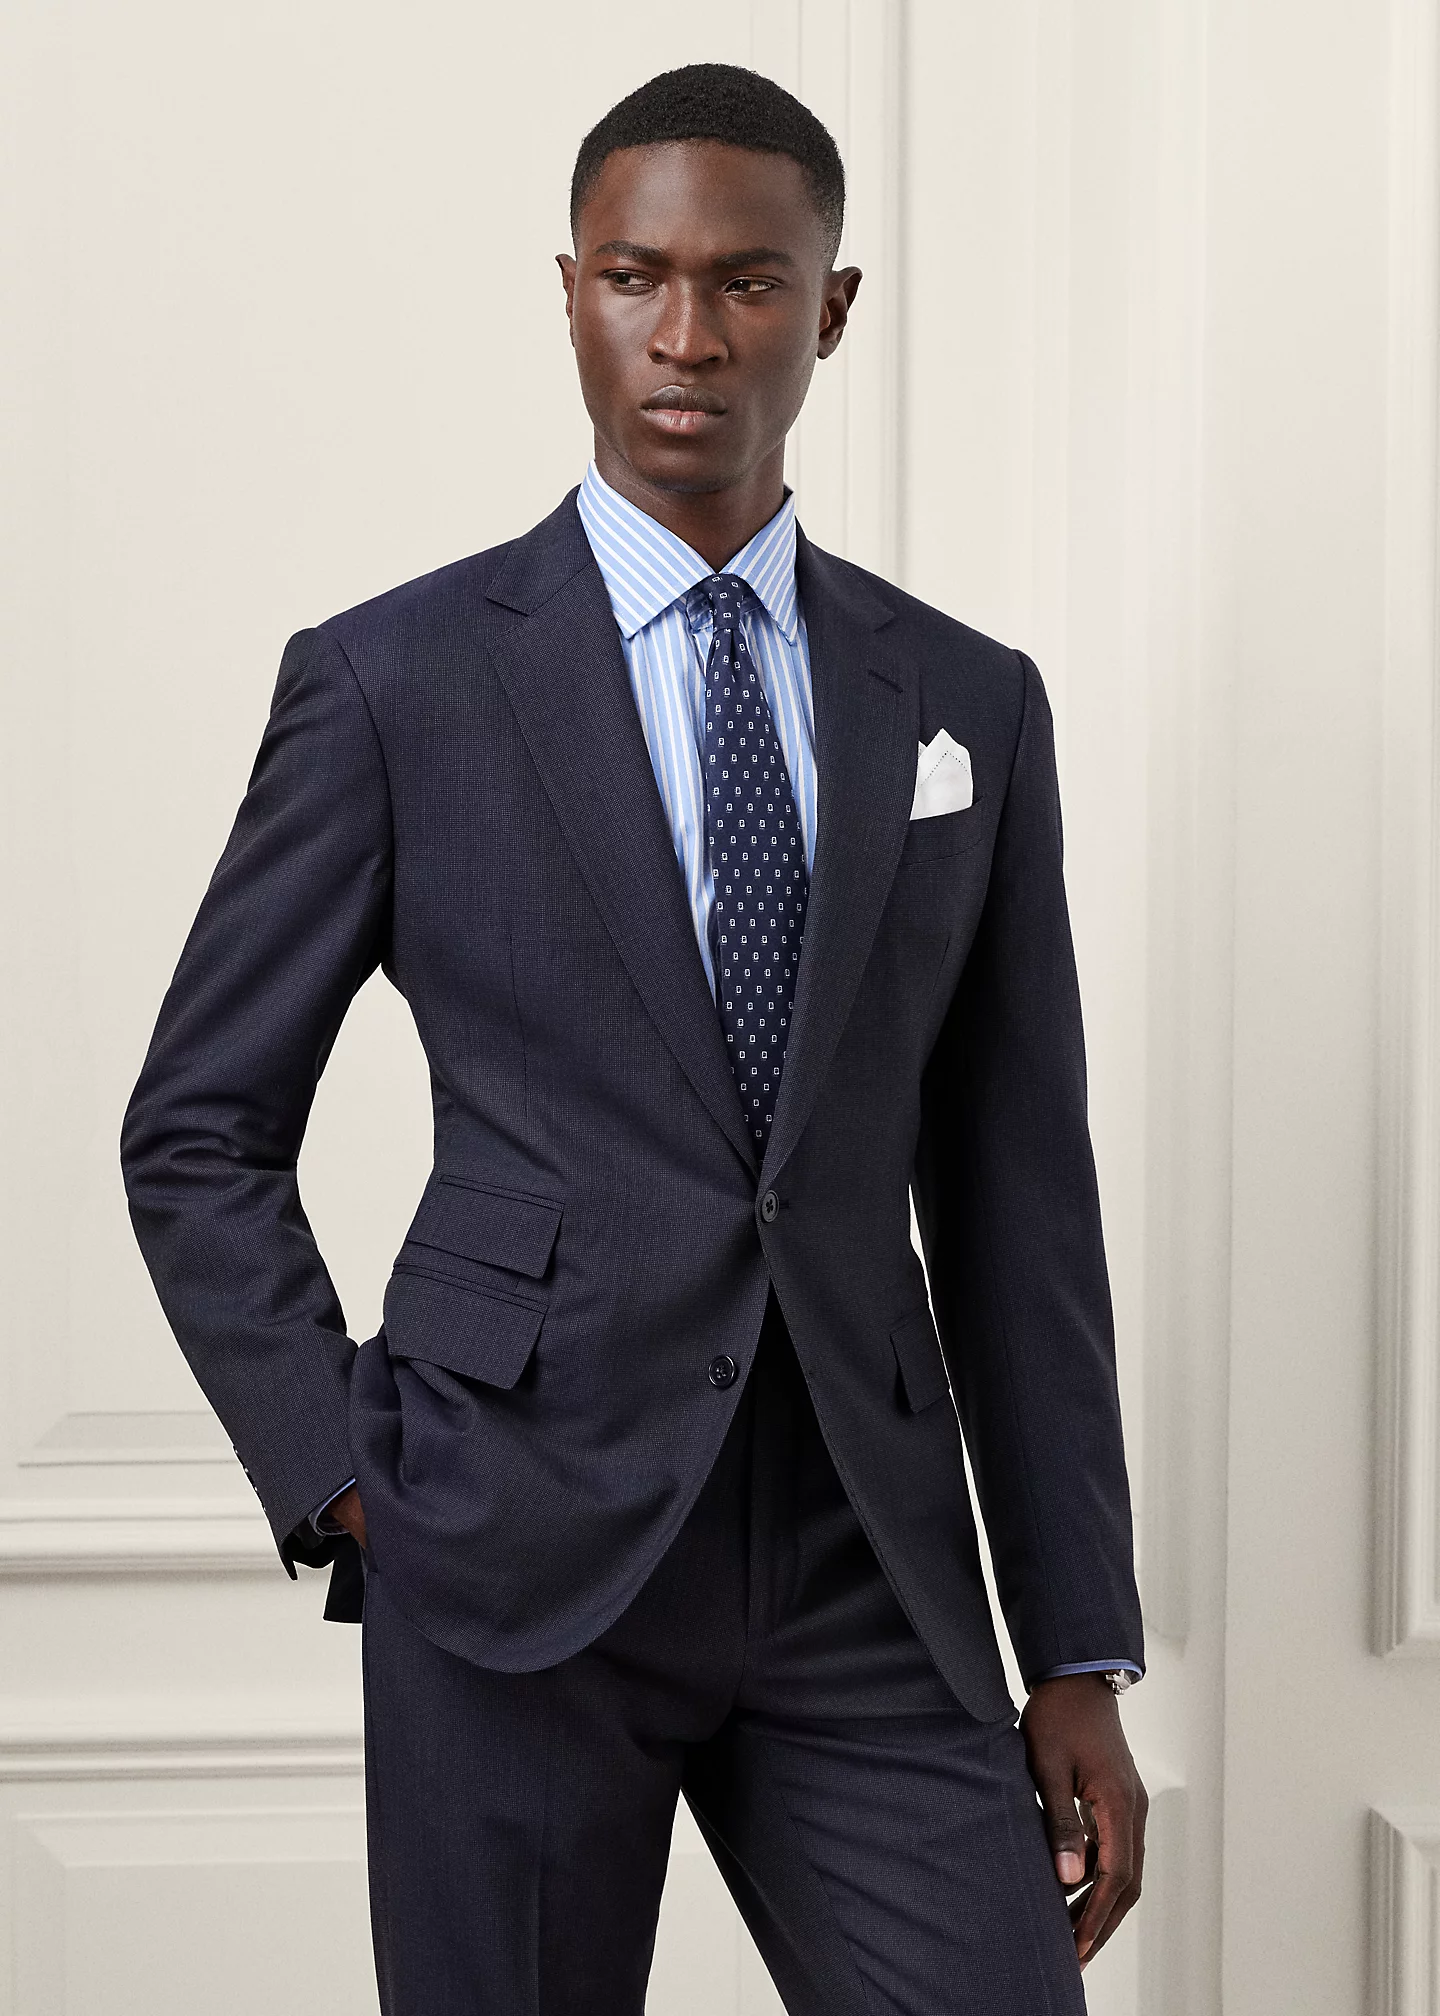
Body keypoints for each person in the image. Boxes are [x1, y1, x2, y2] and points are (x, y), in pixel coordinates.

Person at [121, 61, 1146, 2016]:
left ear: (831, 308)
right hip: (507, 1544)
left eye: (748, 282)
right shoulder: (398, 682)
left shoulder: (966, 703)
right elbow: (195, 1129)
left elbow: (1022, 1204)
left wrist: (1077, 1647)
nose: (687, 335)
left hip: (864, 1559)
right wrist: (348, 1479)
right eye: (634, 276)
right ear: (572, 293)